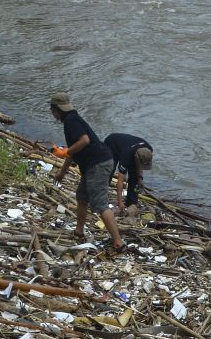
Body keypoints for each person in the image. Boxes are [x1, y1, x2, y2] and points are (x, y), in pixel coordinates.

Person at [49, 92, 124, 254]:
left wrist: (65, 151)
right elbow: (73, 152)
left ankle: (118, 242)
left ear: (55, 110)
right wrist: (62, 171)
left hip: (98, 164)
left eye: (52, 110)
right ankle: (79, 231)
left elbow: (84, 141)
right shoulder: (72, 119)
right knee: (82, 196)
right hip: (95, 164)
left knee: (101, 205)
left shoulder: (70, 121)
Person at [104, 133, 153, 213]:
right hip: (112, 143)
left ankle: (131, 203)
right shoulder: (126, 156)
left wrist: (140, 178)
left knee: (135, 178)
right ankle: (102, 197)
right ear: (135, 158)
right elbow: (120, 181)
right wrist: (120, 202)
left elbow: (140, 164)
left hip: (130, 148)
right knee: (109, 171)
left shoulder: (149, 149)